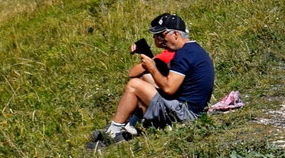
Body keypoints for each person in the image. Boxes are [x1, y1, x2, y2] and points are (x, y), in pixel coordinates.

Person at [88, 13, 215, 148]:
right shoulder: (192, 50)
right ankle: (126, 125)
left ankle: (113, 133)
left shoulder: (184, 55)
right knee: (145, 78)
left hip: (186, 114)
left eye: (162, 35)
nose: (160, 40)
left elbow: (169, 88)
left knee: (134, 85)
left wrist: (153, 68)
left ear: (176, 35)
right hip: (191, 108)